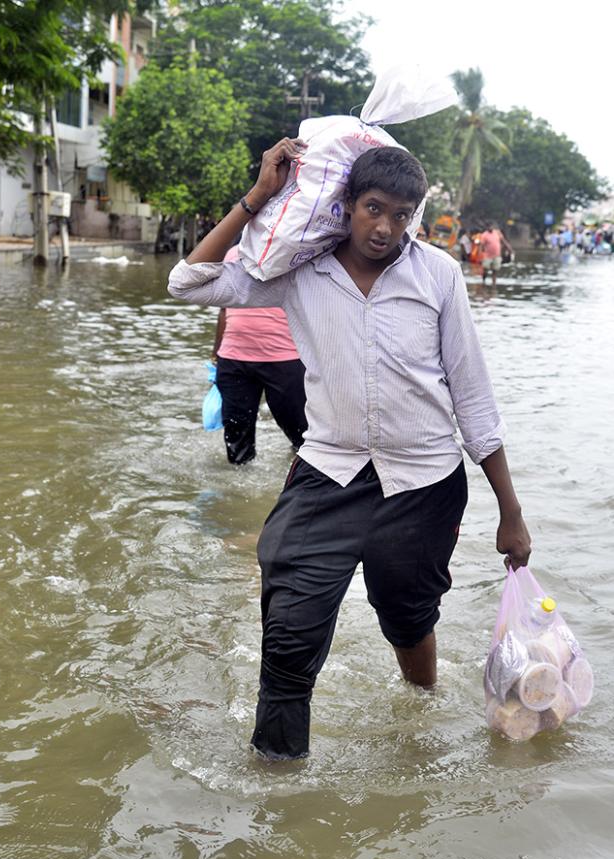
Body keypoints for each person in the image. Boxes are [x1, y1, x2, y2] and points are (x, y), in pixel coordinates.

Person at [168, 138, 531, 761]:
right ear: (347, 205)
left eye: (401, 214)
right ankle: (277, 777)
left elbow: (472, 395)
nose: (385, 227)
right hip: (328, 472)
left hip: (423, 482)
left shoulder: (437, 274)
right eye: (373, 208)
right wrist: (258, 196)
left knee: (407, 615)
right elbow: (188, 283)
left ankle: (417, 715)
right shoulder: (300, 271)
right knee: (289, 625)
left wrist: (511, 509)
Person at [211, 245, 307, 464]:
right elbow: (225, 307)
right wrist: (215, 356)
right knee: (237, 448)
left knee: (302, 436)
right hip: (234, 358)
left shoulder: (296, 250)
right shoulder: (234, 253)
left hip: (285, 358)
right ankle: (236, 495)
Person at [479, 222, 513, 287]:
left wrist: (509, 248)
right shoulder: (484, 235)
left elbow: (503, 241)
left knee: (495, 270)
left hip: (497, 255)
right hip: (487, 255)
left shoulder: (497, 233)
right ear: (487, 227)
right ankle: (483, 281)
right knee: (485, 269)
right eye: (489, 227)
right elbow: (481, 246)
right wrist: (480, 256)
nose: (490, 228)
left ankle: (493, 284)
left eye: (491, 226)